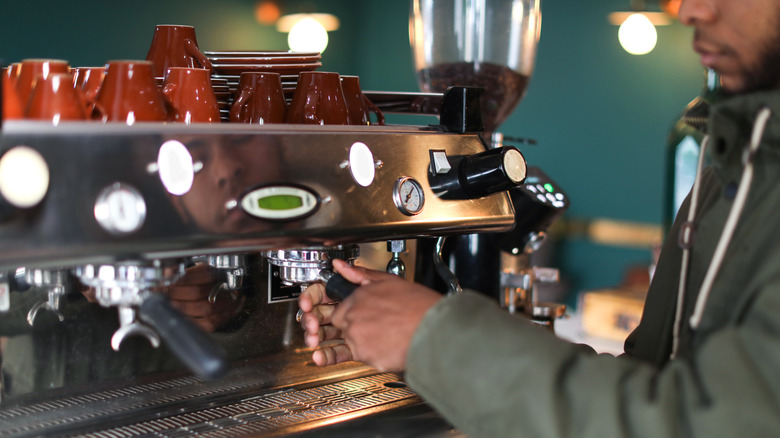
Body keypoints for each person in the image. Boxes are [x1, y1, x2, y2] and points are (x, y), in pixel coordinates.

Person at [297, 0, 780, 436]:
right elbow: (649, 386)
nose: (690, 9)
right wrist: (416, 333)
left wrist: (437, 339)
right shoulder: (724, 185)